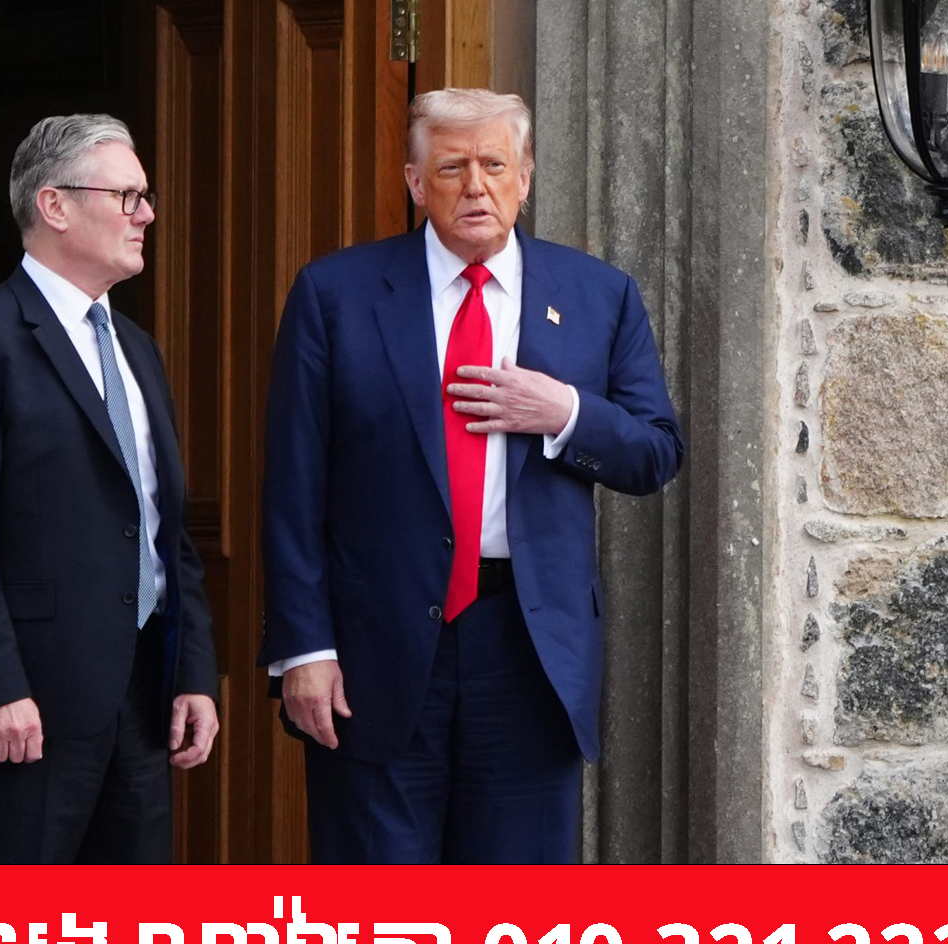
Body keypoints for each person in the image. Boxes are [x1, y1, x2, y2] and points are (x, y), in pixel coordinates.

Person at [262, 88, 684, 863]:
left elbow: (656, 452)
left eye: (494, 165)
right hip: (374, 649)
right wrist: (304, 647)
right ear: (415, 183)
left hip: (528, 647)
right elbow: (294, 485)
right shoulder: (335, 294)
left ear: (525, 177)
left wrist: (564, 413)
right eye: (452, 168)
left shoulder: (598, 295)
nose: (476, 187)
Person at [0, 114, 219, 863]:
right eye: (127, 196)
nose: (146, 215)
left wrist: (193, 674)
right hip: (26, 709)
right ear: (54, 206)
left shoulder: (137, 349)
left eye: (145, 197)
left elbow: (163, 528)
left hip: (142, 703)